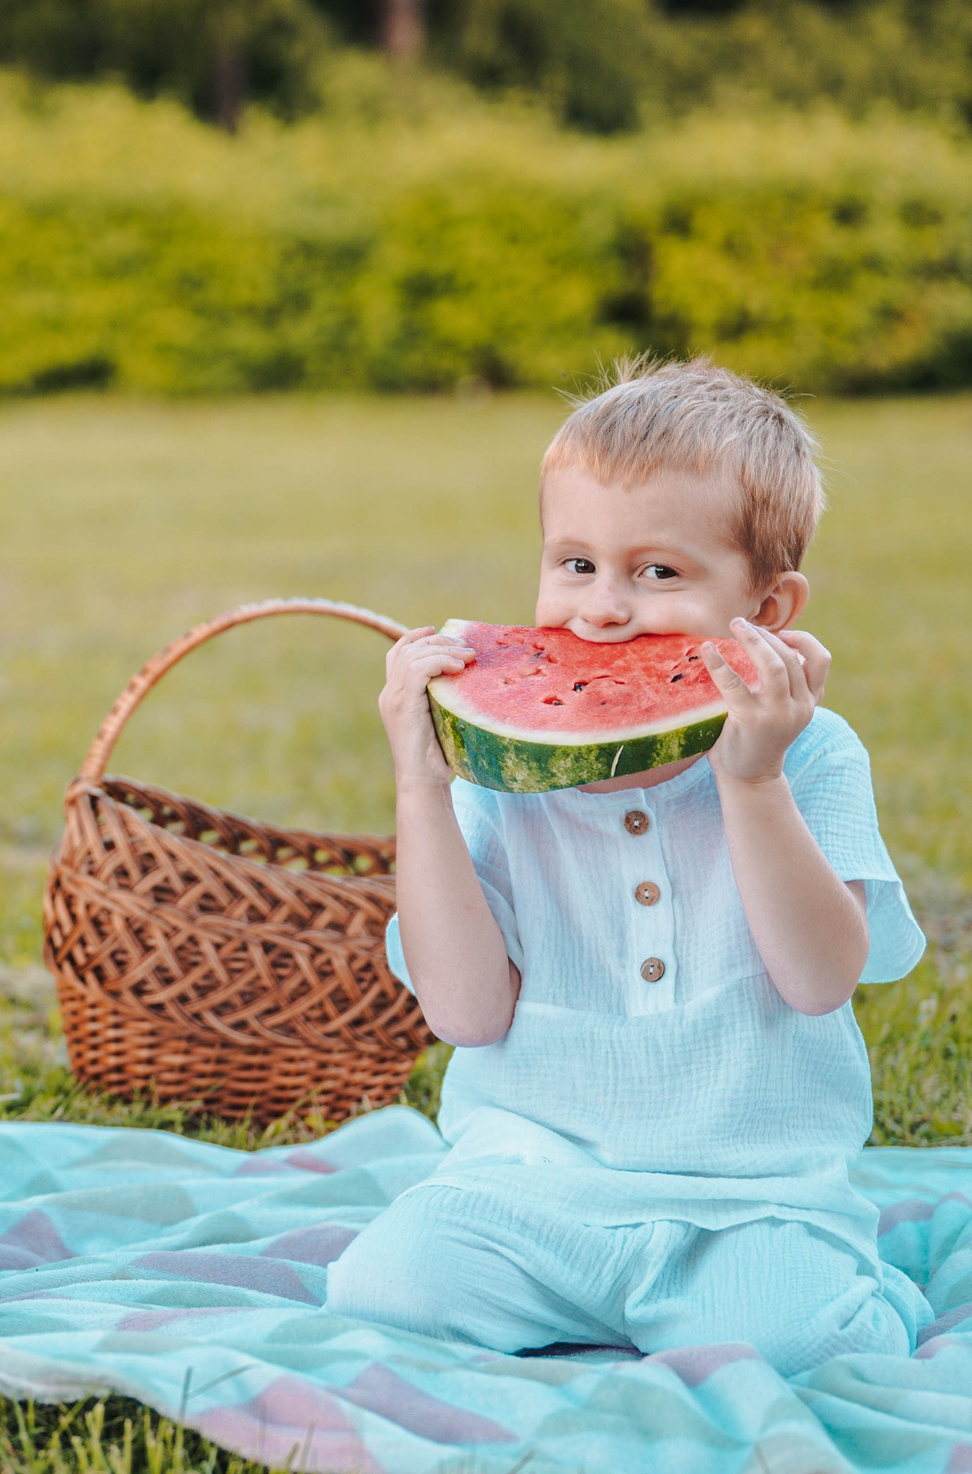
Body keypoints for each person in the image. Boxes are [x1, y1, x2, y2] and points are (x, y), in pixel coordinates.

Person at [324, 359, 930, 1375]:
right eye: (575, 563)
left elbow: (820, 980)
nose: (603, 609)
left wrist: (751, 781)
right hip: (526, 1185)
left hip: (747, 1199)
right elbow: (465, 1014)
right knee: (382, 1294)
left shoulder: (815, 757)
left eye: (657, 574)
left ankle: (840, 1287)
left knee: (802, 1344)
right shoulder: (504, 777)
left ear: (770, 606)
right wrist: (422, 787)